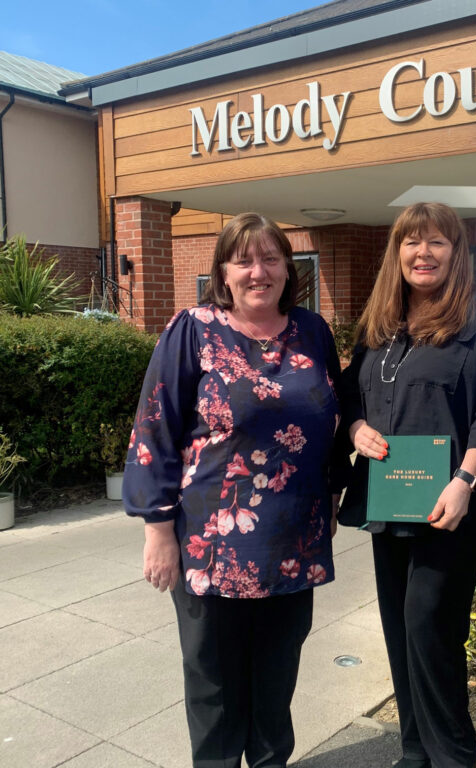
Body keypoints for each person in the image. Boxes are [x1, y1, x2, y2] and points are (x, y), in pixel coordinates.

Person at [123, 212, 344, 768]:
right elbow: (154, 429)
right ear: (223, 271)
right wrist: (158, 530)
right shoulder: (193, 329)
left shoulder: (313, 331)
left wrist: (334, 495)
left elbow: (336, 419)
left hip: (292, 541)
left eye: (270, 258)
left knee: (276, 681)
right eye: (243, 260)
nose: (257, 271)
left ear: (288, 268)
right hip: (211, 542)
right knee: (215, 689)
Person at [338, 202, 476, 768]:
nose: (424, 253)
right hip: (389, 496)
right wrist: (357, 427)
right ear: (397, 252)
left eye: (437, 241)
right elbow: (349, 392)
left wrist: (466, 478)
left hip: (452, 502)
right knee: (398, 624)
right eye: (412, 242)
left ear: (456, 251)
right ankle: (415, 749)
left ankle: (453, 755)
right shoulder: (380, 322)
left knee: (429, 623)